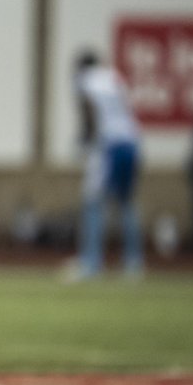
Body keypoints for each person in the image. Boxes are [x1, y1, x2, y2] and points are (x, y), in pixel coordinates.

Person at [67, 49, 144, 281]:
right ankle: (134, 262)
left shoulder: (85, 80)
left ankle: (92, 262)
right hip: (131, 141)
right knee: (126, 202)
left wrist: (85, 140)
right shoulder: (112, 76)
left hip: (108, 145)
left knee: (92, 202)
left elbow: (89, 111)